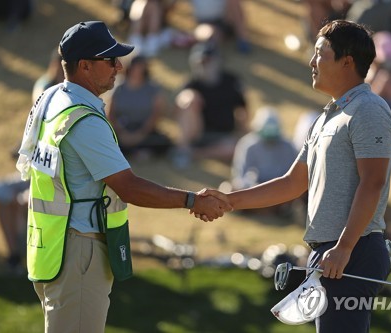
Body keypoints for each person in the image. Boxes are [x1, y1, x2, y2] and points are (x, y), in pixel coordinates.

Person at [16, 21, 231, 333]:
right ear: (85, 66)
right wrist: (192, 200)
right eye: (109, 59)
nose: (119, 66)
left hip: (53, 247)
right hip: (79, 253)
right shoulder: (83, 119)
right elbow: (128, 187)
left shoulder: (51, 99)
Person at [200, 20, 391, 331]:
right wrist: (228, 200)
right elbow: (293, 182)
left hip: (352, 251)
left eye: (321, 54)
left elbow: (373, 182)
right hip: (331, 252)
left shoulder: (368, 109)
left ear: (347, 61)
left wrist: (344, 247)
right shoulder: (326, 118)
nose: (312, 62)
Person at [172, 41, 249, 168]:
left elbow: (243, 110)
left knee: (238, 147)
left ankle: (195, 154)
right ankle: (184, 148)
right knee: (190, 100)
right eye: (201, 61)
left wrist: (244, 131)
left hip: (223, 135)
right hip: (198, 133)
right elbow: (177, 108)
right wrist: (188, 98)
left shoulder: (231, 81)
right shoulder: (192, 83)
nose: (204, 65)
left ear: (217, 61)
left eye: (208, 60)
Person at [219, 106, 298, 216]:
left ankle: (268, 210)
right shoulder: (247, 144)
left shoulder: (288, 146)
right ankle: (263, 210)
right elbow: (240, 176)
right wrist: (255, 186)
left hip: (279, 191)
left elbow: (293, 177)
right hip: (254, 190)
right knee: (228, 189)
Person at [107, 55, 173, 159]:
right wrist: (121, 132)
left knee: (162, 142)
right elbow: (110, 113)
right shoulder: (118, 87)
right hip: (123, 129)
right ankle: (133, 152)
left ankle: (132, 152)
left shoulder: (152, 89)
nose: (138, 70)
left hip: (145, 131)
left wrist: (142, 133)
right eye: (136, 67)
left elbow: (157, 113)